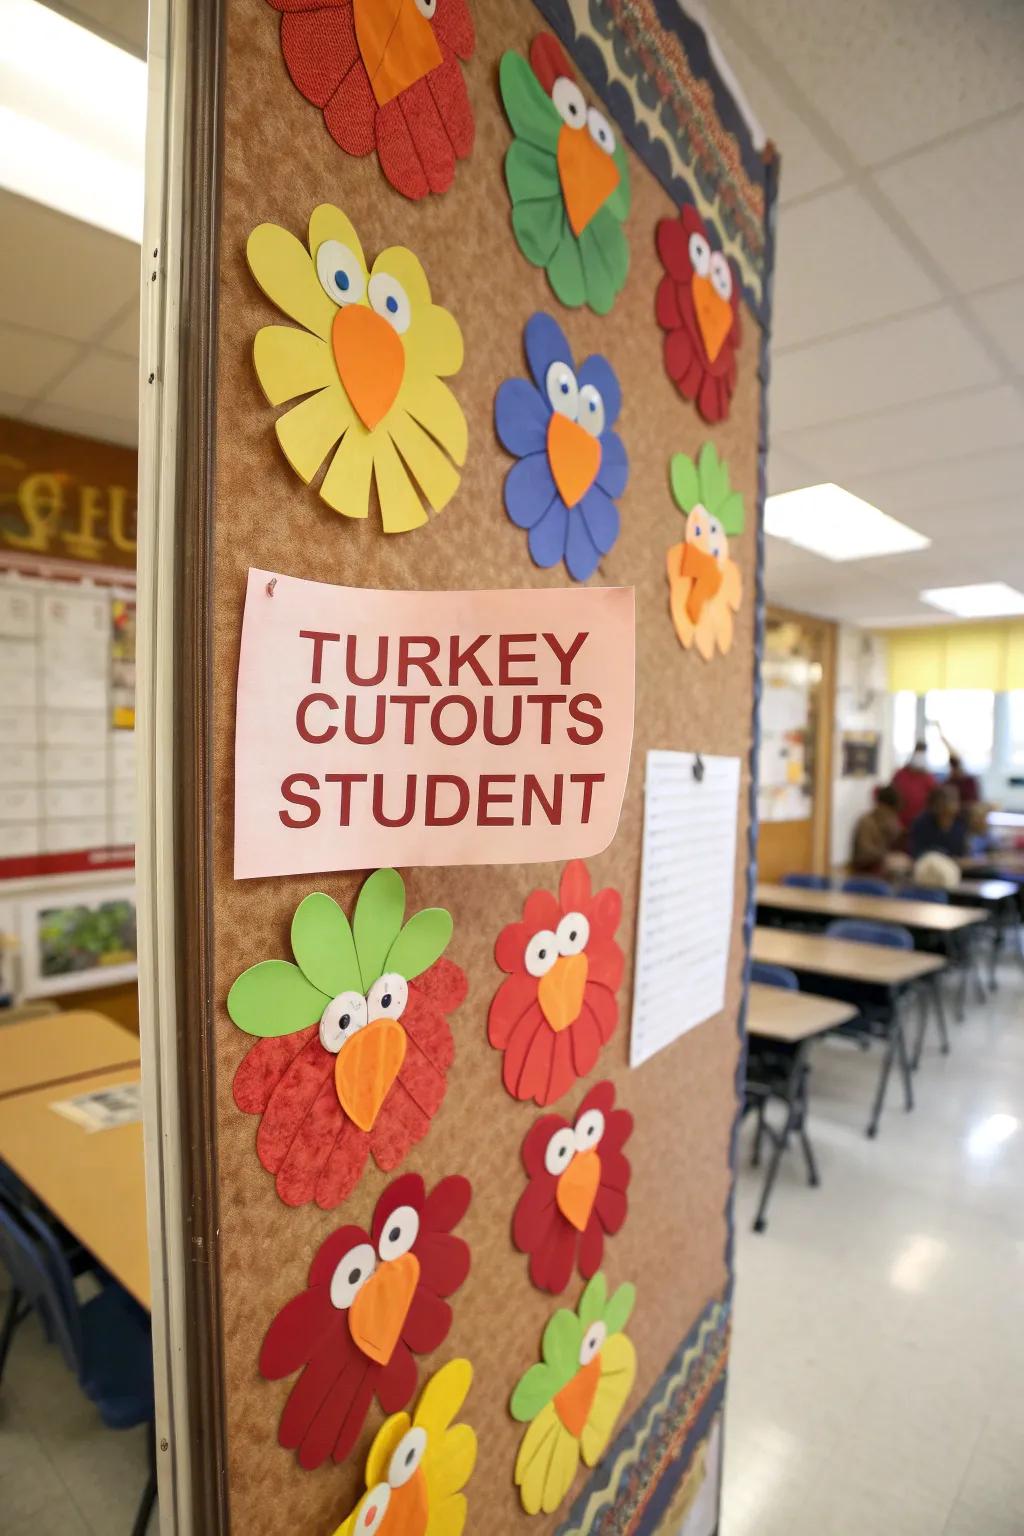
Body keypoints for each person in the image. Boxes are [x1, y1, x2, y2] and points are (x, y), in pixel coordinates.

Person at [851, 786, 904, 875]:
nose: (891, 816)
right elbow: (864, 853)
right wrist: (887, 857)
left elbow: (897, 846)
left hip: (886, 871)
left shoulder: (892, 821)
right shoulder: (865, 822)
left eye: (893, 813)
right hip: (865, 873)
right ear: (880, 805)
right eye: (889, 812)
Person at [909, 785, 967, 861]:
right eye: (949, 799)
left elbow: (962, 854)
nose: (955, 803)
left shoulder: (960, 824)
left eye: (955, 799)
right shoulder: (922, 823)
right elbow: (917, 854)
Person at [889, 742, 936, 832]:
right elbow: (891, 794)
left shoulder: (928, 777)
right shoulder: (900, 774)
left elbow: (934, 797)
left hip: (921, 823)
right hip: (900, 821)